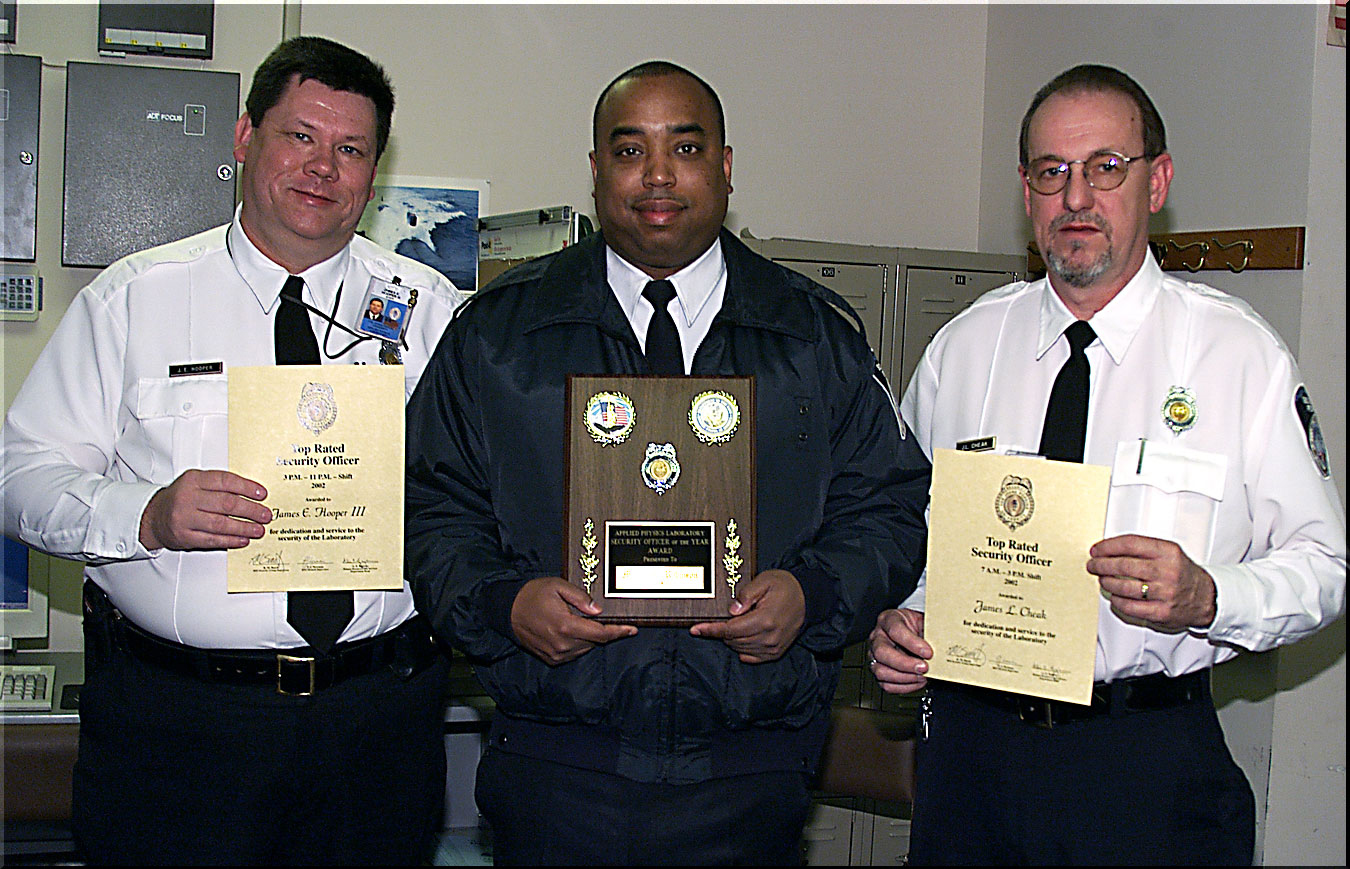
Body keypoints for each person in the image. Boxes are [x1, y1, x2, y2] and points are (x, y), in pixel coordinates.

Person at [405, 60, 929, 865]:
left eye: (684, 148)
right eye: (628, 151)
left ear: (725, 166)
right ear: (593, 172)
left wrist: (811, 593)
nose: (656, 176)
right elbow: (428, 506)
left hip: (748, 775)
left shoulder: (812, 334)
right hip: (557, 770)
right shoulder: (499, 335)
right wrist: (504, 603)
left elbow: (890, 508)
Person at [1, 36, 467, 865]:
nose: (323, 166)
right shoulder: (134, 300)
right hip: (179, 729)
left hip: (377, 726)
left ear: (374, 170)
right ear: (246, 137)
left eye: (350, 148)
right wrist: (144, 511)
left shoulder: (434, 315)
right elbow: (19, 475)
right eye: (300, 136)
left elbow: (483, 494)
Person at [869, 63, 1346, 865]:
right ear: (1026, 191)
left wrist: (1209, 592)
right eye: (1052, 172)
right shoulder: (965, 350)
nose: (1076, 198)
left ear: (1156, 181)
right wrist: (899, 624)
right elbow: (907, 537)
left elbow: (1325, 567)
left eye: (1105, 167)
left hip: (1145, 763)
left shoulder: (1237, 356)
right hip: (971, 763)